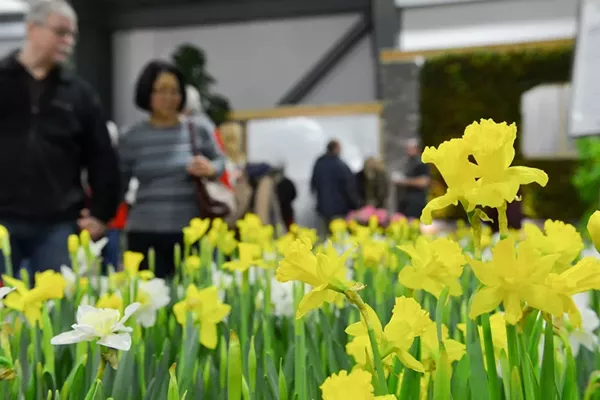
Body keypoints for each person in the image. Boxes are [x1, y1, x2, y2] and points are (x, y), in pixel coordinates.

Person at [0, 0, 119, 274]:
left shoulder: (79, 94)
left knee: (57, 300)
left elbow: (102, 157)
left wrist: (102, 213)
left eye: (73, 35)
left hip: (58, 224)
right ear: (33, 29)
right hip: (2, 219)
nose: (69, 42)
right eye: (61, 33)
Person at [119, 60, 226, 278]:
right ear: (147, 93)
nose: (168, 98)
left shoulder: (198, 128)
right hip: (144, 230)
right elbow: (119, 181)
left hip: (191, 231)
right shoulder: (132, 136)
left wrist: (210, 168)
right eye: (161, 91)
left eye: (174, 91)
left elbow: (221, 162)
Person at [310, 140, 359, 233]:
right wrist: (355, 205)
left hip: (323, 209)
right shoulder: (341, 166)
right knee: (339, 236)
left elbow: (313, 185)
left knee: (325, 236)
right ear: (336, 149)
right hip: (340, 209)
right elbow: (349, 188)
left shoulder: (319, 163)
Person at [393, 138, 430, 219]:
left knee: (414, 223)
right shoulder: (408, 162)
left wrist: (404, 181)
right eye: (407, 148)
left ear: (417, 149)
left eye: (410, 148)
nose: (408, 151)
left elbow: (424, 182)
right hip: (405, 201)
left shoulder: (421, 163)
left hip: (416, 202)